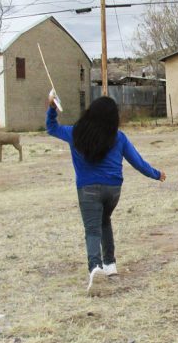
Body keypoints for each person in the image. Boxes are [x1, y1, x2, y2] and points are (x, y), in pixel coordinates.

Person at [46, 95, 166, 291]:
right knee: (104, 221)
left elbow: (51, 127)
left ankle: (95, 268)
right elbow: (137, 162)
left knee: (92, 229)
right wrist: (156, 174)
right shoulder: (119, 137)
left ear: (91, 112)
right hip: (113, 190)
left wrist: (52, 108)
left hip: (88, 189)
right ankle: (110, 266)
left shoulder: (75, 133)